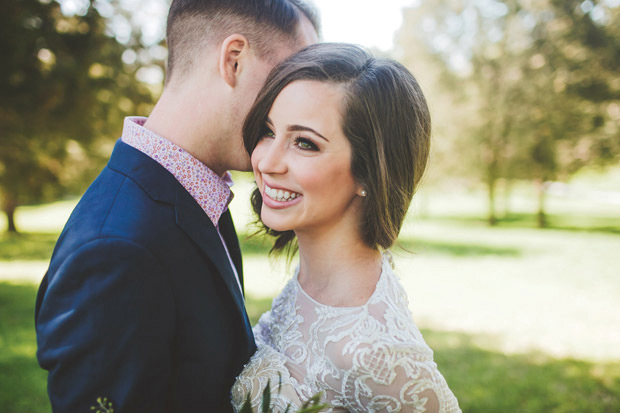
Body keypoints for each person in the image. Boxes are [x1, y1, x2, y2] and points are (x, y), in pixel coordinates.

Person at [34, 1, 318, 411]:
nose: (299, 105)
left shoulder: (194, 195)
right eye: (289, 78)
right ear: (234, 61)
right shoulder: (115, 251)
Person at [231, 43, 461, 412]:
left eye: (305, 143)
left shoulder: (379, 354)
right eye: (269, 131)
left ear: (368, 171)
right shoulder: (309, 286)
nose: (266, 161)